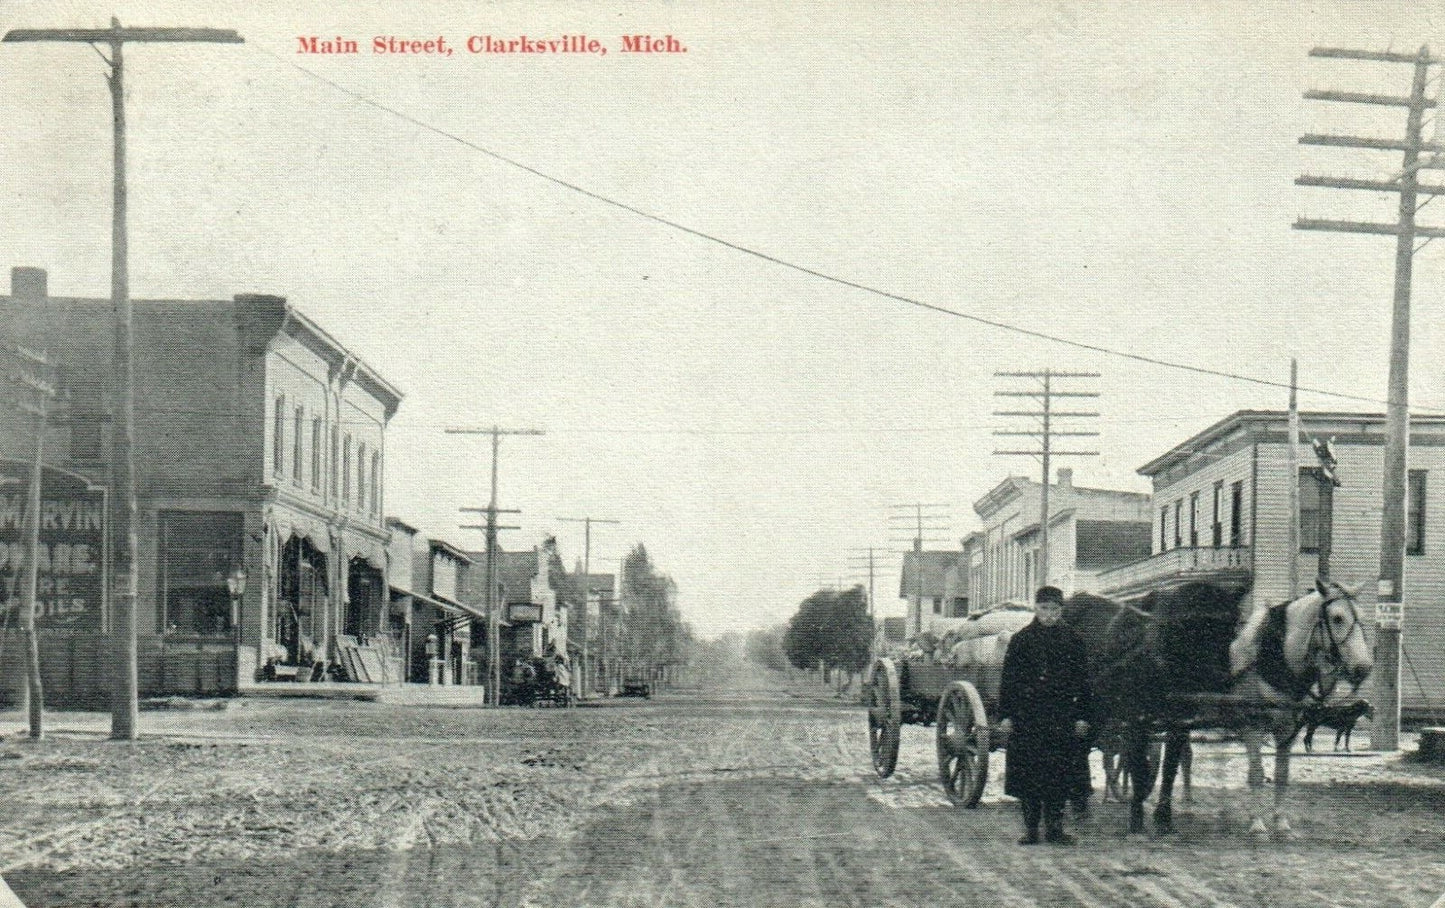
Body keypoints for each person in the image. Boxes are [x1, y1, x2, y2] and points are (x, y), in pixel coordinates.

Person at [997, 585, 1093, 846]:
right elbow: (1008, 681)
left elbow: (1084, 682)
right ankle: (1031, 829)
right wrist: (1006, 716)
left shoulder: (1073, 640)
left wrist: (1083, 716)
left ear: (1061, 610)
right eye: (1044, 609)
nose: (1049, 614)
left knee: (1059, 775)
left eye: (1054, 609)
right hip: (1027, 718)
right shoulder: (1021, 640)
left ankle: (1055, 828)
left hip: (1062, 718)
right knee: (1030, 775)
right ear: (1035, 609)